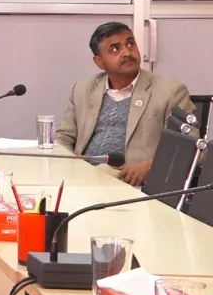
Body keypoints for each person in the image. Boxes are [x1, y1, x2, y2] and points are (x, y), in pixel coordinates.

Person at [56, 21, 196, 187]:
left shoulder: (171, 91)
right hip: (84, 181)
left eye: (130, 44)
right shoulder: (83, 89)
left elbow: (190, 149)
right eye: (115, 49)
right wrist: (71, 165)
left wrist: (152, 166)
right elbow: (63, 138)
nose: (127, 52)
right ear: (99, 62)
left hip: (133, 185)